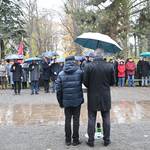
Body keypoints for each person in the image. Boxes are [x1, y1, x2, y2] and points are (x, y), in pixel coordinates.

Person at [83, 48, 115, 147]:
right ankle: (106, 140)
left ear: (94, 55)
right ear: (103, 55)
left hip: (92, 95)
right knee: (106, 118)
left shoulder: (88, 66)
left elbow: (85, 82)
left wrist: (91, 86)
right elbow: (112, 82)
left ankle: (91, 141)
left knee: (91, 118)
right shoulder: (110, 66)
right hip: (105, 95)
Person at [56, 56, 84, 146]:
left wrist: (60, 102)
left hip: (66, 101)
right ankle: (75, 140)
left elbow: (58, 90)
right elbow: (84, 84)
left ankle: (68, 140)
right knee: (76, 120)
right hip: (77, 100)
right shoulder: (79, 72)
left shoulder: (61, 74)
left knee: (67, 120)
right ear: (74, 61)